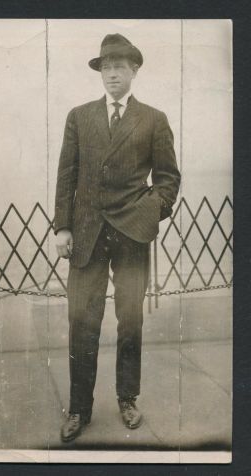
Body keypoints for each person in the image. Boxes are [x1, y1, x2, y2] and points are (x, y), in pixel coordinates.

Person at [54, 33, 181, 443]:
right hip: (87, 232)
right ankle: (78, 408)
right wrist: (63, 226)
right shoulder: (79, 116)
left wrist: (150, 213)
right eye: (106, 67)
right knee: (81, 321)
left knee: (130, 320)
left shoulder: (154, 119)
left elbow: (167, 179)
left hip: (131, 232)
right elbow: (67, 175)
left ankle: (128, 397)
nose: (112, 74)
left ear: (134, 71)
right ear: (100, 72)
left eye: (120, 67)